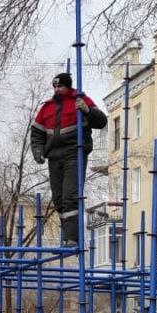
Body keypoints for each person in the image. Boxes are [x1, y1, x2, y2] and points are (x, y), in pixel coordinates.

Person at [30, 72, 107, 246]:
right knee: (58, 198)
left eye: (61, 86)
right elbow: (36, 133)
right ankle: (67, 237)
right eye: (55, 86)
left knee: (70, 195)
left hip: (74, 152)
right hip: (54, 156)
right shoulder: (47, 107)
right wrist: (38, 150)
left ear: (68, 86)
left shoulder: (80, 100)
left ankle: (73, 238)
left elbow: (101, 121)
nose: (57, 89)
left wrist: (87, 110)